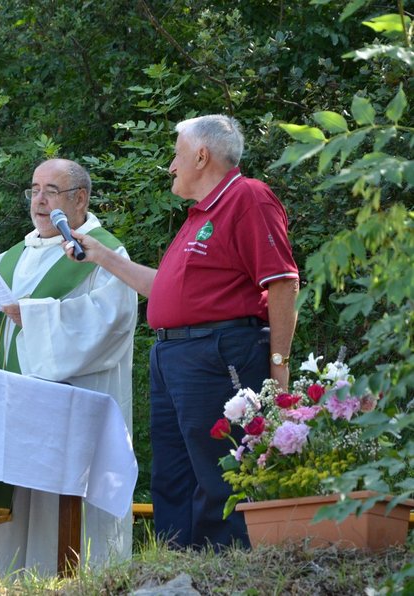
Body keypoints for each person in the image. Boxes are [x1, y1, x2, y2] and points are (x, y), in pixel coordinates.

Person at [65, 115, 299, 550]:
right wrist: (100, 256)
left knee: (222, 472)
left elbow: (283, 282)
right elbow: (165, 291)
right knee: (172, 477)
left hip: (219, 351)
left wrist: (278, 369)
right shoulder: (197, 217)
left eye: (176, 154)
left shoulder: (248, 198)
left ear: (201, 155)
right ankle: (177, 569)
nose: (171, 166)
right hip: (173, 355)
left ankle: (226, 571)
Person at [0, 158, 138, 575]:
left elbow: (109, 322)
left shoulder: (103, 252)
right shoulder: (13, 256)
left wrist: (31, 316)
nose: (40, 199)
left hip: (65, 410)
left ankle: (63, 574)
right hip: (5, 407)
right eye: (34, 189)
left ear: (80, 198)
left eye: (52, 190)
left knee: (54, 501)